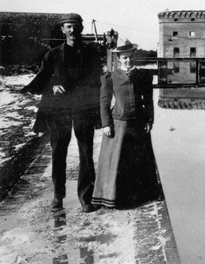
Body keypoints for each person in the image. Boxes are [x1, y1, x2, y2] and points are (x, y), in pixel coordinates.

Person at [21, 13, 102, 212]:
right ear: (63, 30)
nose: (72, 30)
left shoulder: (91, 53)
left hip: (83, 108)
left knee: (86, 153)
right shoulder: (53, 54)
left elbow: (98, 80)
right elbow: (42, 79)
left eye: (75, 26)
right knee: (58, 153)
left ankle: (85, 198)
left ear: (81, 29)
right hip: (59, 110)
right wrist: (53, 86)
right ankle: (58, 196)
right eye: (68, 27)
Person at [92, 39, 161, 209]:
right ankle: (114, 197)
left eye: (130, 57)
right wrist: (106, 124)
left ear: (134, 57)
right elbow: (104, 102)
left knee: (138, 161)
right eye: (124, 58)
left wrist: (149, 120)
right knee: (117, 162)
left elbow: (149, 100)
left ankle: (141, 195)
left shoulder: (143, 75)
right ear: (119, 59)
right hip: (119, 124)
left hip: (138, 123)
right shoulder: (111, 77)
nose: (128, 61)